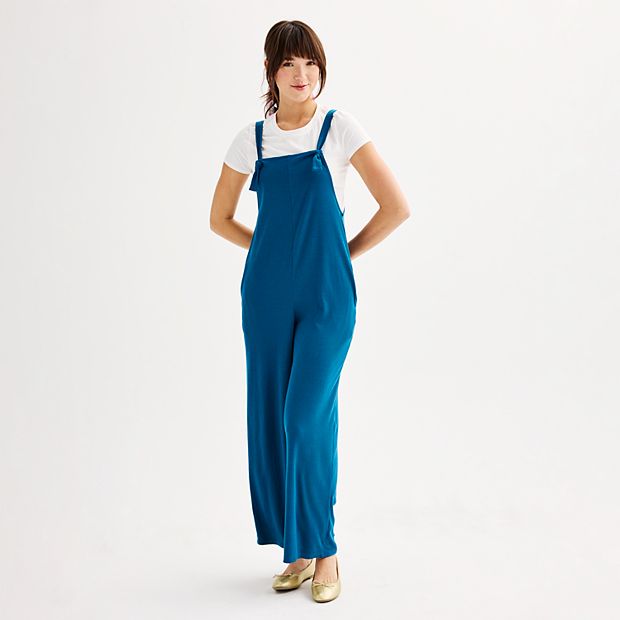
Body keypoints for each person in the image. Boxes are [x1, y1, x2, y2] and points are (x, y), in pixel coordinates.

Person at [210, 20, 410, 603]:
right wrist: (270, 253)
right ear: (270, 72)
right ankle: (295, 550)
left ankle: (325, 551)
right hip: (265, 297)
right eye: (288, 64)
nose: (301, 75)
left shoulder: (339, 129)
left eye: (310, 63)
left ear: (321, 68)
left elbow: (396, 206)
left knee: (305, 418)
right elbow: (219, 219)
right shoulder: (251, 140)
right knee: (272, 419)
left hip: (327, 295)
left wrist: (339, 255)